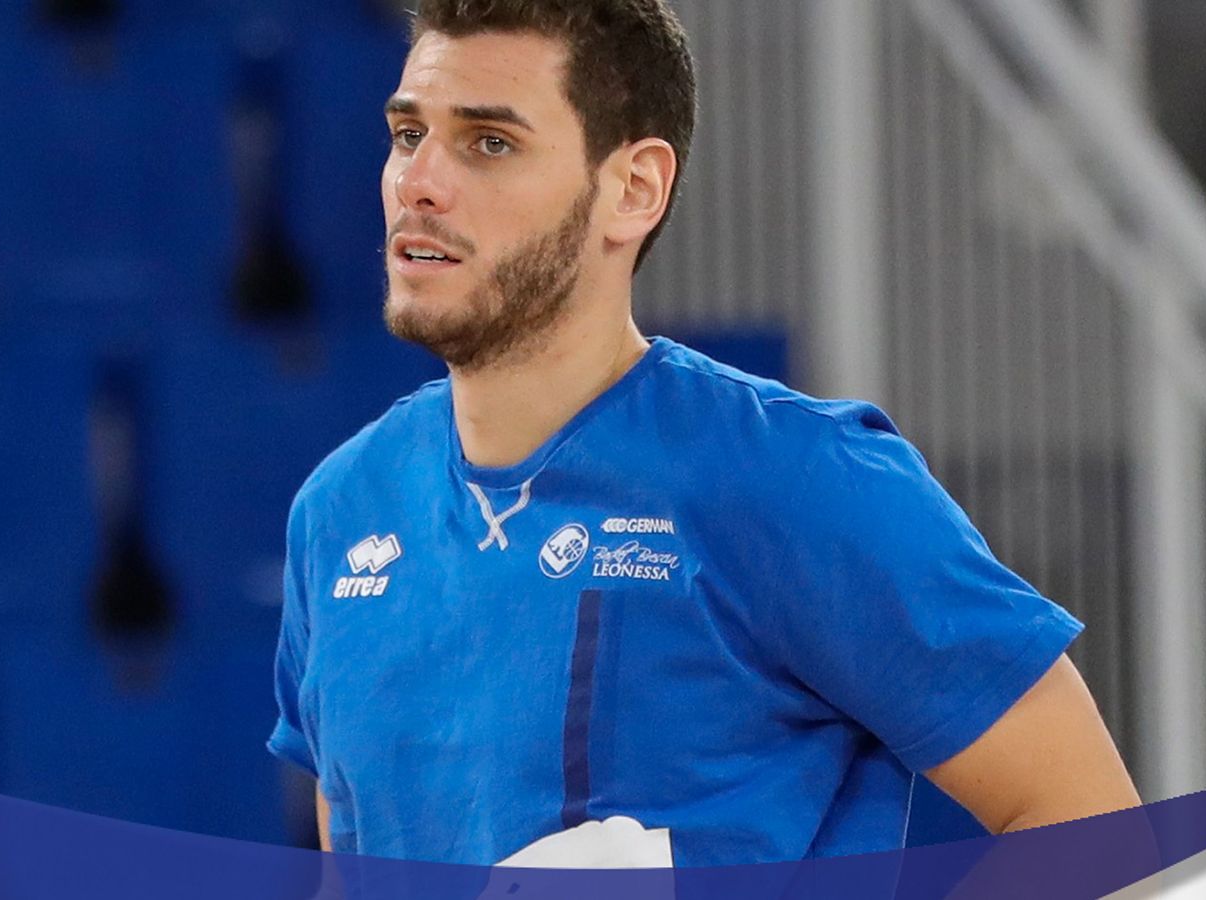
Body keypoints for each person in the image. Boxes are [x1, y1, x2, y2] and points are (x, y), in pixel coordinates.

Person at [267, 0, 1141, 867]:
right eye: (409, 134)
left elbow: (1090, 831)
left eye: (489, 143)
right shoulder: (340, 511)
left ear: (633, 190)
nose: (418, 182)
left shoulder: (795, 479)